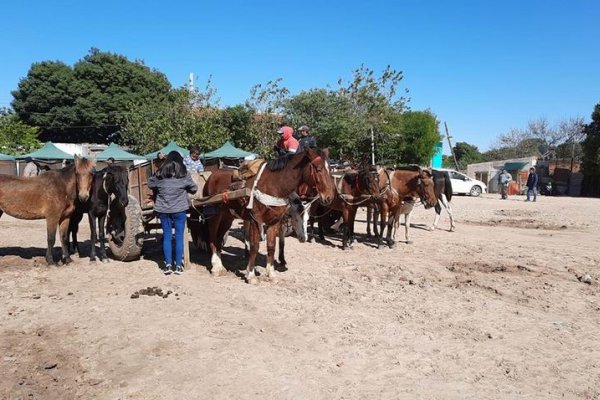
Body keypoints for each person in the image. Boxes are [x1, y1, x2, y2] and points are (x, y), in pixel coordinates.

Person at [148, 151, 198, 275]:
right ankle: (179, 266)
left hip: (163, 210)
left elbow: (150, 183)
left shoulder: (160, 174)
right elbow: (194, 189)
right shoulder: (184, 174)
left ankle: (168, 265)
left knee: (167, 237)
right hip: (179, 210)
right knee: (179, 237)